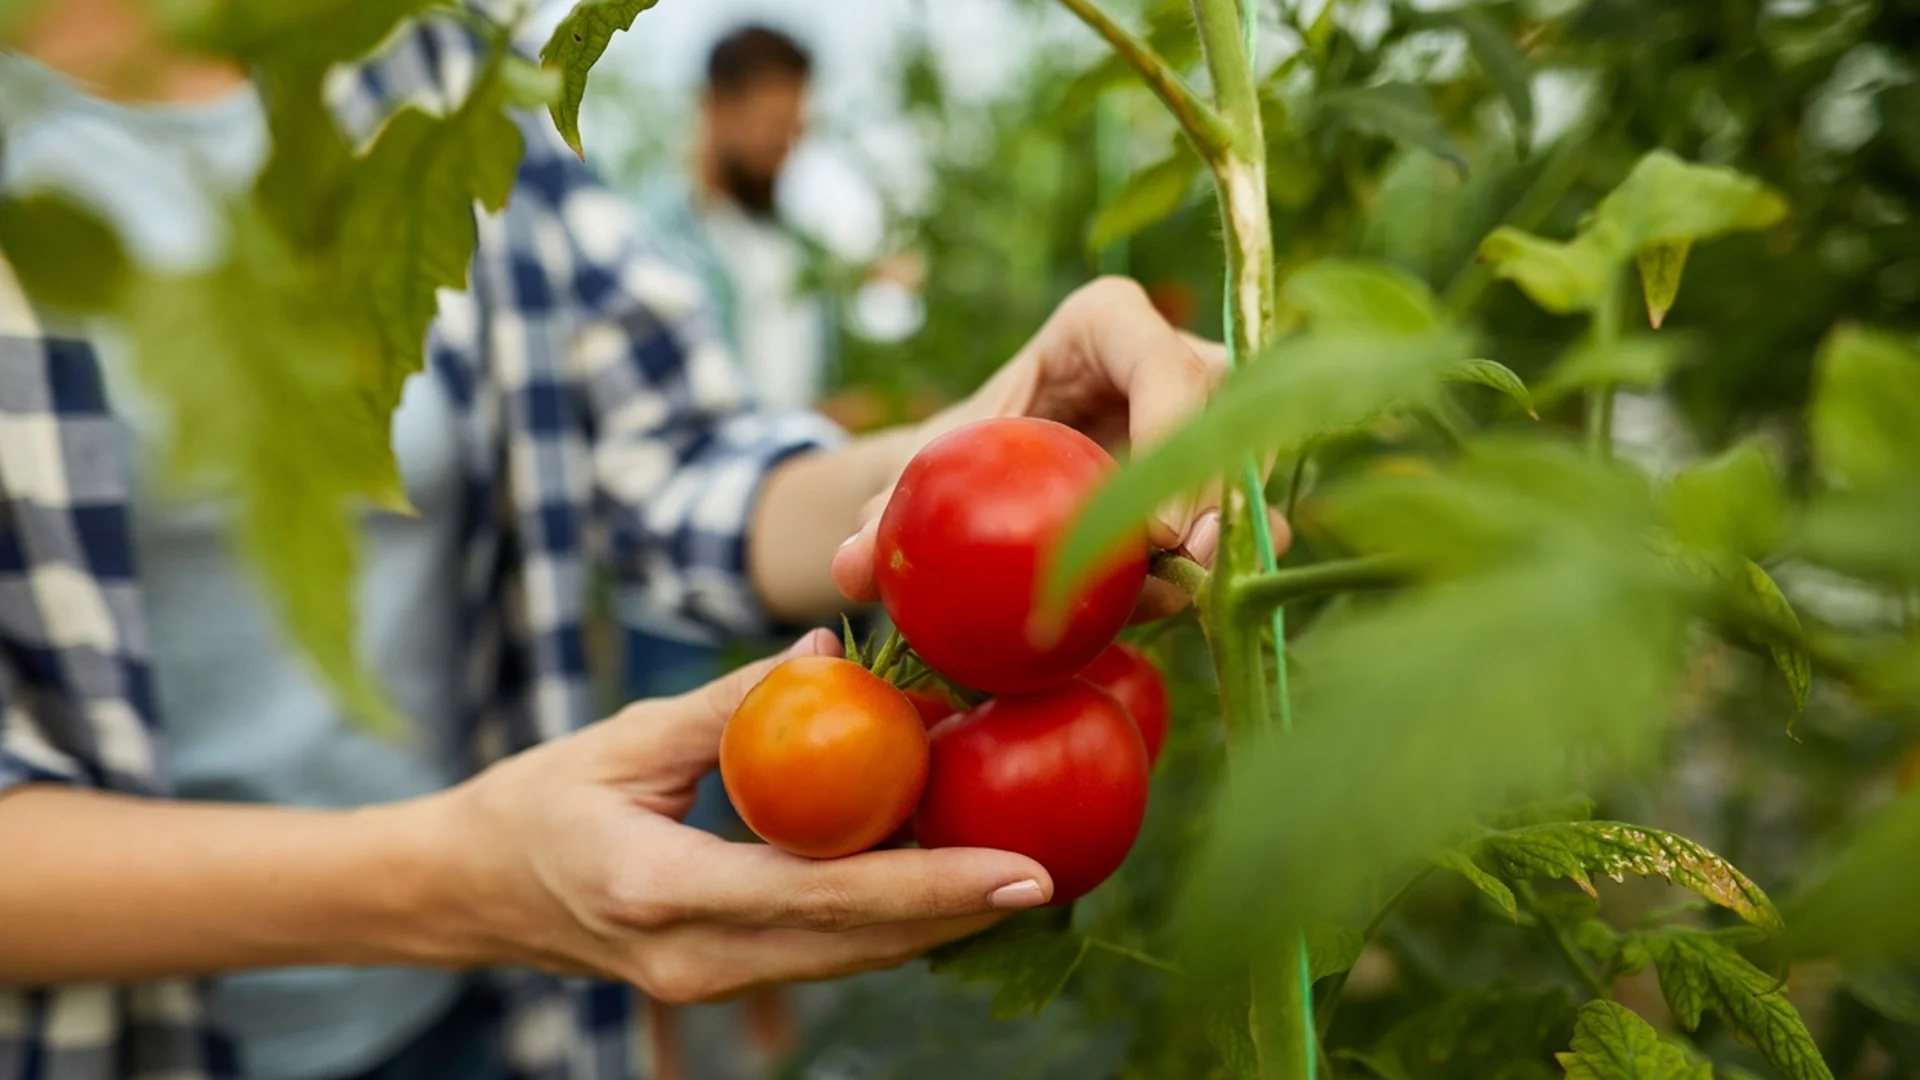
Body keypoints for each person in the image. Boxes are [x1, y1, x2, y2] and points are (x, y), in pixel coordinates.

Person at [0, 4, 1237, 1080]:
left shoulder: (430, 63)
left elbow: (683, 463)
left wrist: (986, 448)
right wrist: (459, 882)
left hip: (495, 1021)